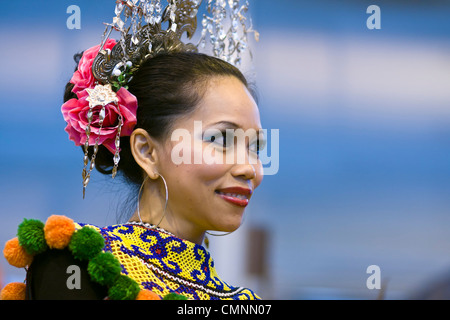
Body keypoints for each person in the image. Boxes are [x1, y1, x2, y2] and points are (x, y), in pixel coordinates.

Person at [1, 0, 264, 300]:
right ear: (147, 151)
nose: (251, 169)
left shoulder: (242, 301)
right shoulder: (80, 263)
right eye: (220, 140)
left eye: (254, 147)